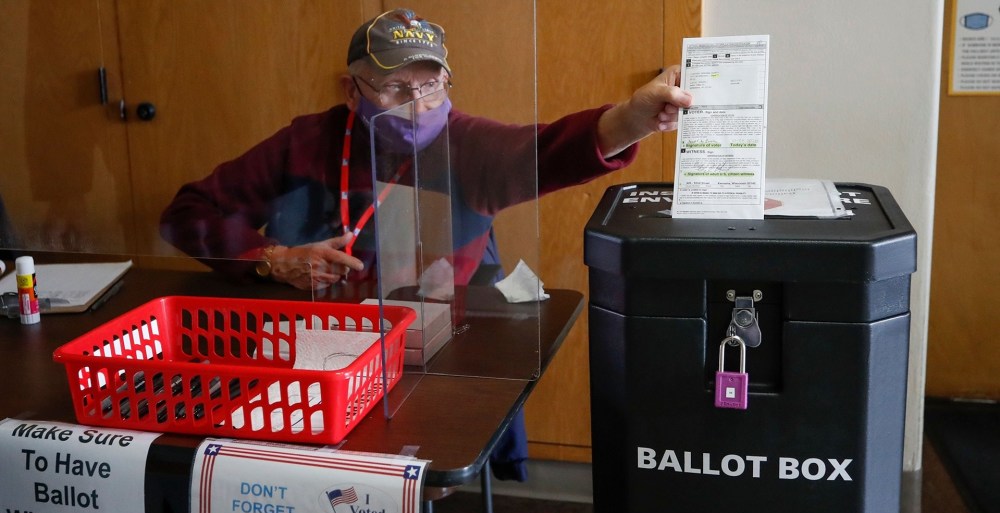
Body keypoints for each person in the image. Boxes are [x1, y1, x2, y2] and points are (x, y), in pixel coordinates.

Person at [159, 8, 692, 480]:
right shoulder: (305, 141)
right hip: (319, 337)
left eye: (431, 85)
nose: (417, 105)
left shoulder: (468, 144)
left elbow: (549, 151)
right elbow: (188, 212)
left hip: (428, 347)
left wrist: (631, 120)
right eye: (394, 87)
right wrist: (271, 260)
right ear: (351, 91)